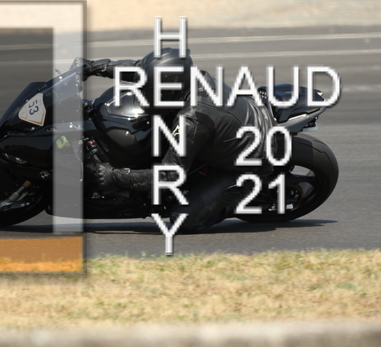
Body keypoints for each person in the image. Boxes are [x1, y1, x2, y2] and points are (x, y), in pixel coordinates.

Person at [81, 48, 276, 233]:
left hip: (249, 163)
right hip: (240, 124)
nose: (144, 94)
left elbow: (170, 175)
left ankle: (248, 194)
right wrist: (93, 67)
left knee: (183, 220)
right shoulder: (186, 78)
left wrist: (116, 176)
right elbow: (141, 72)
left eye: (151, 91)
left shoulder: (192, 120)